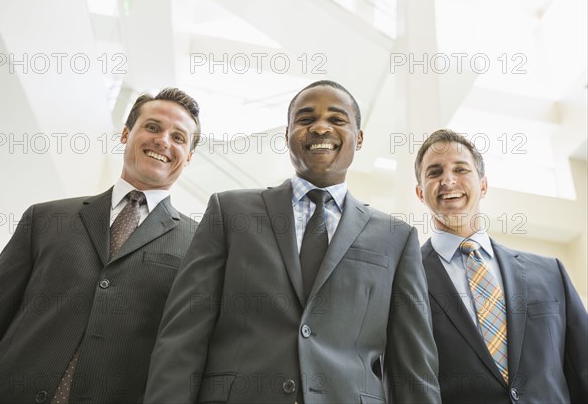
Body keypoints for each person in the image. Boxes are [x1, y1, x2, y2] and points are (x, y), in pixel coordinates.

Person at [145, 80, 441, 404]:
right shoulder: (229, 211)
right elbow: (183, 337)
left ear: (359, 138)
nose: (320, 128)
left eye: (337, 119)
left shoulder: (396, 238)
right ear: (287, 135)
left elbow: (414, 370)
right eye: (305, 119)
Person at [0, 88, 201, 404]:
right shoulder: (45, 217)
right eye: (153, 127)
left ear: (189, 157)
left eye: (179, 137)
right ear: (126, 134)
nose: (163, 141)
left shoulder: (201, 245)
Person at [414, 129, 588, 404]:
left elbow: (583, 368)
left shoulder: (550, 273)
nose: (448, 180)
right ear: (420, 192)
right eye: (434, 173)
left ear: (483, 185)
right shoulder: (404, 279)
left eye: (460, 169)